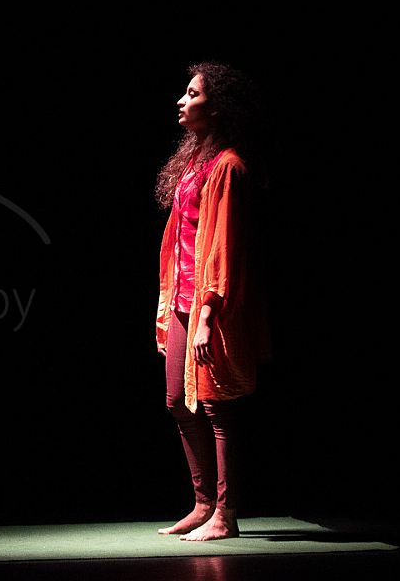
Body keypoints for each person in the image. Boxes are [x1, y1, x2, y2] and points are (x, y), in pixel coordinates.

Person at [153, 62, 270, 541]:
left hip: (213, 303)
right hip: (182, 297)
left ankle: (226, 512)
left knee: (217, 405)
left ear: (216, 106)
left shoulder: (228, 166)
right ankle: (202, 503)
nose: (181, 101)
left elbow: (223, 245)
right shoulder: (195, 163)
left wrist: (207, 315)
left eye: (192, 93)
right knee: (177, 401)